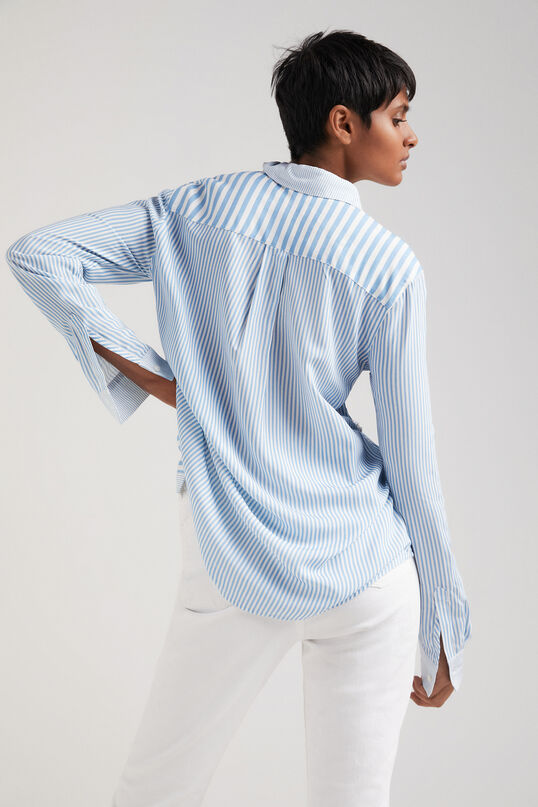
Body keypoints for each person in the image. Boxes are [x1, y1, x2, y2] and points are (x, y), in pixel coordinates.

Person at [7, 27, 472, 807]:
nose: (411, 135)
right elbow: (411, 460)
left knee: (153, 789)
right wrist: (444, 618)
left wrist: (162, 380)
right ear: (343, 122)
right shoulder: (387, 266)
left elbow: (38, 253)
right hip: (367, 567)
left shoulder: (195, 211)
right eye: (398, 116)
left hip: (231, 548)